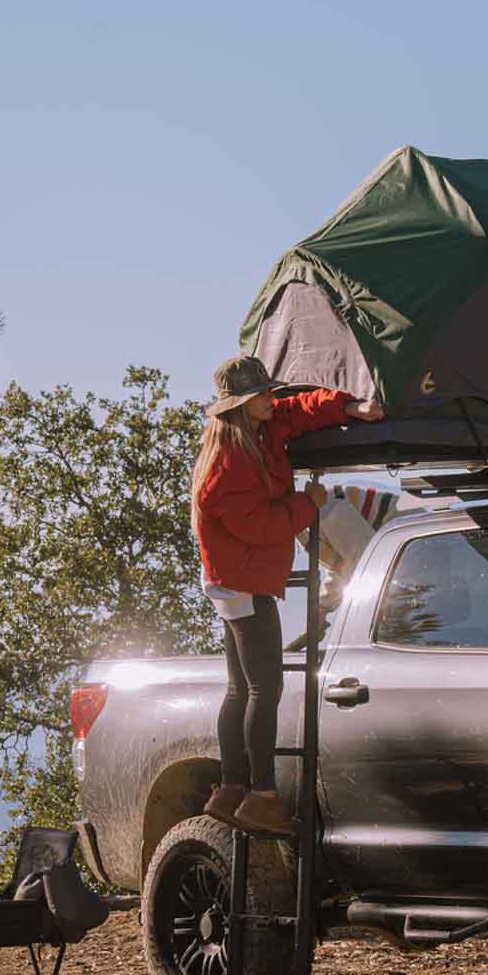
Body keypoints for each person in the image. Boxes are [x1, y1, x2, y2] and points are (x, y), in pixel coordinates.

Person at [191, 354, 382, 835]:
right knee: (264, 688)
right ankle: (261, 795)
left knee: (240, 688)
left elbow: (300, 409)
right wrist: (308, 503)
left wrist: (348, 407)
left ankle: (232, 788)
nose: (271, 400)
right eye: (262, 395)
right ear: (240, 405)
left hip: (237, 578)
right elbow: (261, 526)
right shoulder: (228, 463)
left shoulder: (259, 432)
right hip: (243, 581)